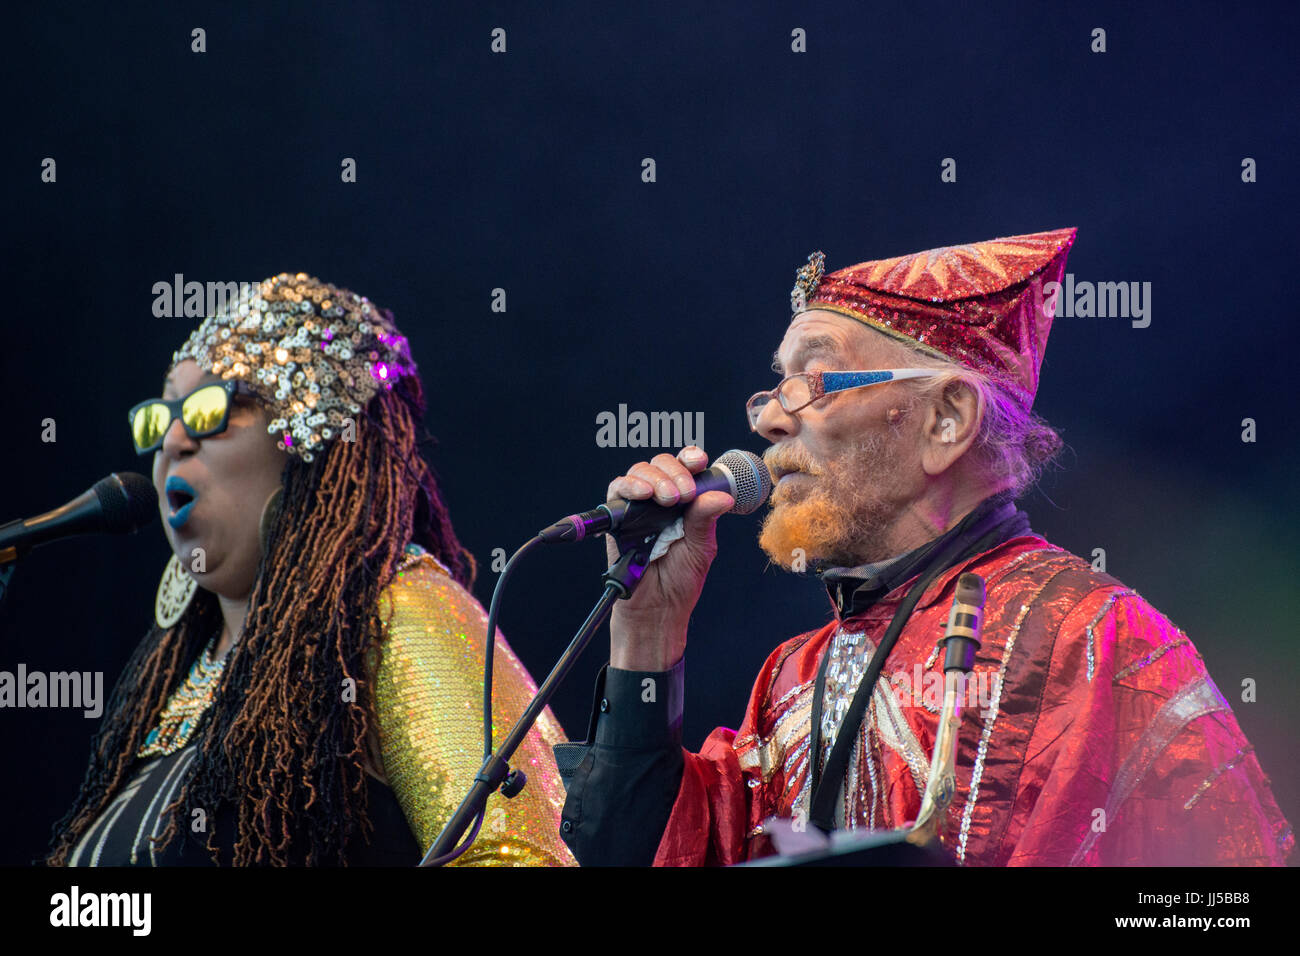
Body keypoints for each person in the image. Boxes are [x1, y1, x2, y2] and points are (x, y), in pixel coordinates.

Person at [554, 228, 1294, 866]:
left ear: (945, 418)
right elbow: (647, 853)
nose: (772, 422)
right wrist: (648, 635)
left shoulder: (1097, 636)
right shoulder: (791, 677)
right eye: (774, 388)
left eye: (813, 379)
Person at [46, 273, 574, 866]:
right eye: (159, 419)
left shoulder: (395, 610)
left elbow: (521, 852)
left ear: (311, 444)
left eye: (208, 410)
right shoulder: (166, 678)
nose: (172, 440)